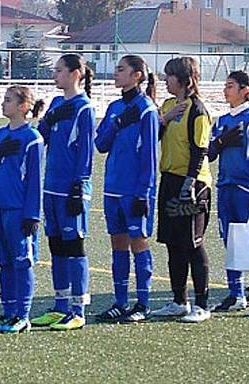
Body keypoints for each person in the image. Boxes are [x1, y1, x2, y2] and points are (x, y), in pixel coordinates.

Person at [30, 54, 96, 331]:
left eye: (59, 71)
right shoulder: (57, 103)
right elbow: (41, 136)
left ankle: (78, 310)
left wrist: (79, 185)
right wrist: (46, 117)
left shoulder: (84, 108)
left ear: (75, 74)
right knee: (56, 246)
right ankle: (60, 306)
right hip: (51, 186)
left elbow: (86, 151)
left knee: (74, 247)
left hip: (71, 188)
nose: (54, 75)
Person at [94, 55, 159, 323]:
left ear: (137, 76)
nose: (115, 74)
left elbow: (150, 157)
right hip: (113, 188)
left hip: (135, 190)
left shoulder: (147, 109)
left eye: (122, 70)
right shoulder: (114, 107)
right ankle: (120, 302)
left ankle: (142, 304)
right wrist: (116, 123)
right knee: (117, 244)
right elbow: (101, 144)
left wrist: (144, 193)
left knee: (138, 243)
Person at [151, 57, 214, 323]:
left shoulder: (198, 110)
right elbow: (154, 137)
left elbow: (201, 150)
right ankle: (179, 301)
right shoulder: (167, 106)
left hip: (193, 184)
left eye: (170, 76)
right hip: (169, 179)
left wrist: (189, 184)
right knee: (173, 243)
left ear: (184, 79)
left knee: (192, 243)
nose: (166, 80)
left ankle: (202, 304)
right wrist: (163, 120)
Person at [0, 86, 44, 334]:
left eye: (8, 100)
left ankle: (23, 315)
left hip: (19, 211)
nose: (2, 104)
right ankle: (8, 313)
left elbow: (35, 181)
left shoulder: (33, 139)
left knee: (22, 263)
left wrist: (32, 215)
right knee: (5, 263)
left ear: (23, 106)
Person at [209, 71, 249, 318]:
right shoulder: (221, 120)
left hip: (247, 190)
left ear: (245, 90)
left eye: (230, 86)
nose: (226, 90)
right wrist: (221, 141)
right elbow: (209, 152)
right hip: (225, 188)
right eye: (225, 86)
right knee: (231, 242)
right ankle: (236, 295)